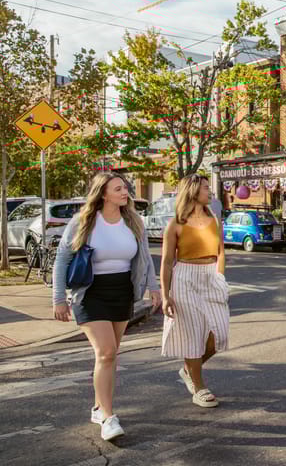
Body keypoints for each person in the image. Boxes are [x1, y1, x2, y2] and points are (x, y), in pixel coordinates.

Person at [52, 173, 161, 442]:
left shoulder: (133, 221)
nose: (126, 192)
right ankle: (109, 418)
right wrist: (58, 299)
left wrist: (154, 287)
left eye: (125, 188)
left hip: (122, 292)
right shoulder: (84, 221)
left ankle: (99, 407)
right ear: (103, 194)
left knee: (111, 356)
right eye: (119, 188)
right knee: (106, 352)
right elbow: (62, 260)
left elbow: (144, 258)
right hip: (90, 293)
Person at [160, 174, 229, 409]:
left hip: (211, 276)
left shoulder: (215, 220)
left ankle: (189, 369)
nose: (210, 191)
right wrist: (165, 294)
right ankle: (199, 388)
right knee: (192, 334)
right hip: (185, 278)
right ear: (192, 192)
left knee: (218, 334)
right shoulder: (176, 224)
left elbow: (221, 253)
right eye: (206, 188)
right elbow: (167, 261)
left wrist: (220, 277)